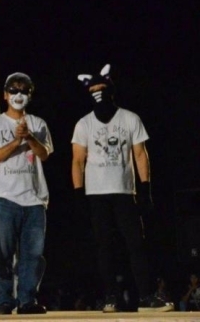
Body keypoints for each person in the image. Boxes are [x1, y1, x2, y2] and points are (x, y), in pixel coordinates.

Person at [71, 64, 173, 313]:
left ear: (111, 90)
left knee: (136, 244)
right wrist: (78, 194)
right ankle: (110, 298)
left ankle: (146, 296)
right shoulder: (84, 124)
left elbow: (140, 155)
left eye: (101, 88)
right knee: (104, 247)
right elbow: (77, 160)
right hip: (96, 194)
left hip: (125, 192)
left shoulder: (129, 118)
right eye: (92, 89)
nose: (98, 93)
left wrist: (145, 188)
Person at [0, 73, 52, 315]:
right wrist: (15, 142)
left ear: (30, 95)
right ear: (5, 95)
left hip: (35, 198)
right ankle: (4, 300)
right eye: (14, 90)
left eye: (24, 90)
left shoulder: (38, 124)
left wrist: (29, 137)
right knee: (2, 254)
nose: (18, 95)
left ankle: (28, 300)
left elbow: (44, 154)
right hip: (3, 197)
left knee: (33, 255)